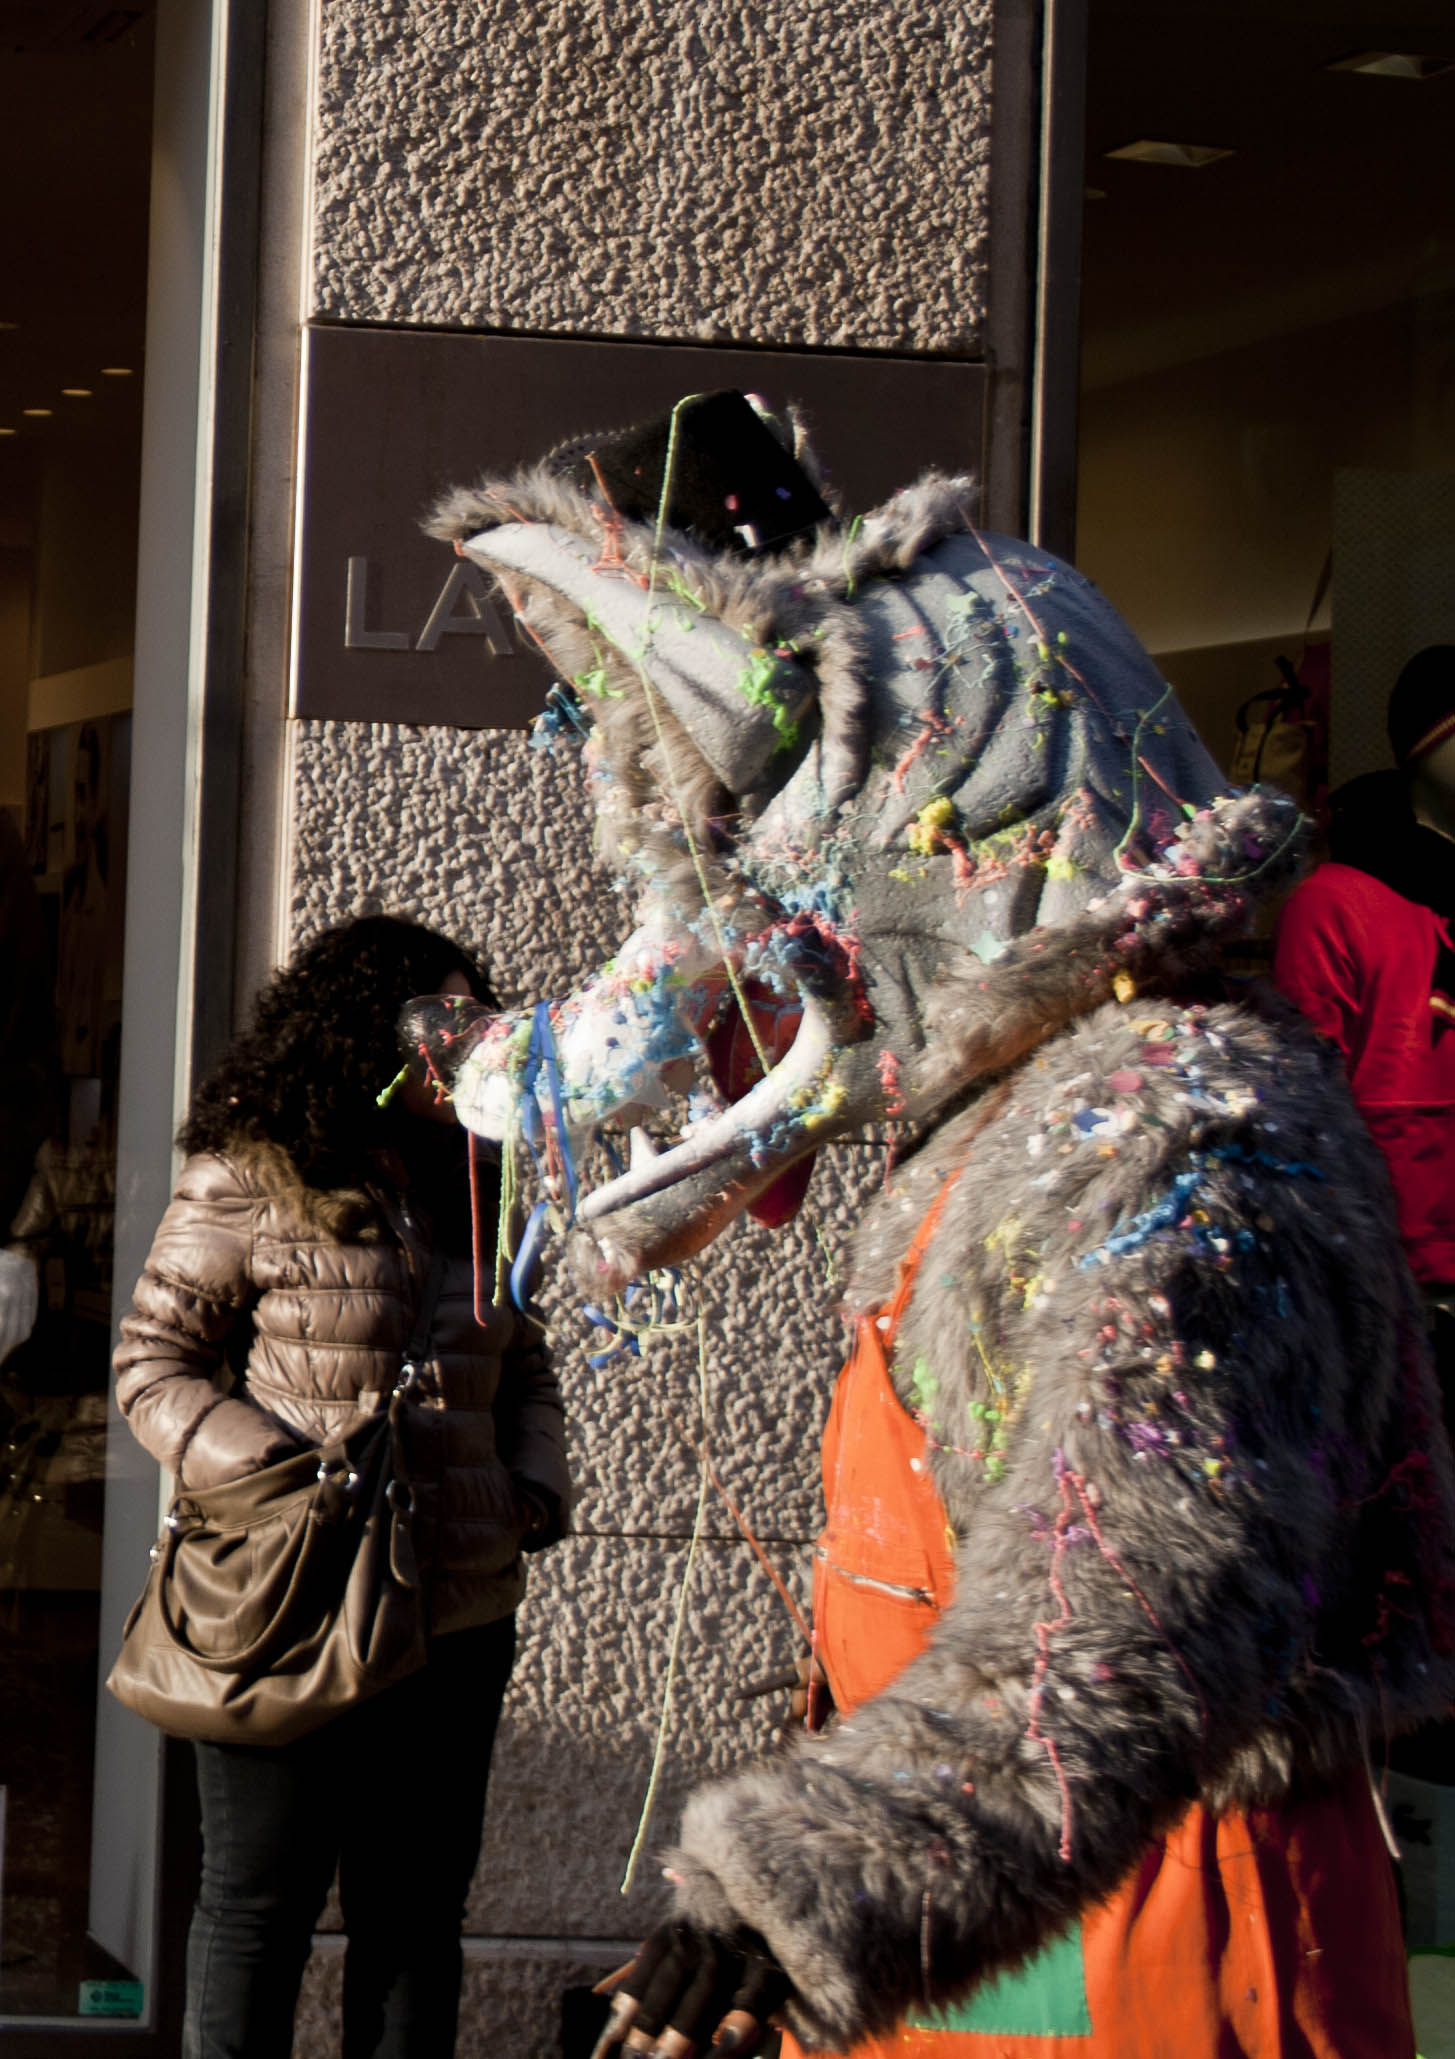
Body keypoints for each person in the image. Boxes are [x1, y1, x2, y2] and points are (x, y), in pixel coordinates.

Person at [114, 914, 571, 2059]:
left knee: (415, 1921)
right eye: (440, 1018)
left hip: (458, 1609)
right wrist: (270, 1474)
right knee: (257, 1910)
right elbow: (151, 1363)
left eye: (476, 1018)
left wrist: (531, 1486)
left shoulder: (486, 1181)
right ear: (366, 1031)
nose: (462, 1045)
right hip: (292, 1596)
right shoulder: (253, 1175)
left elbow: (525, 1360)